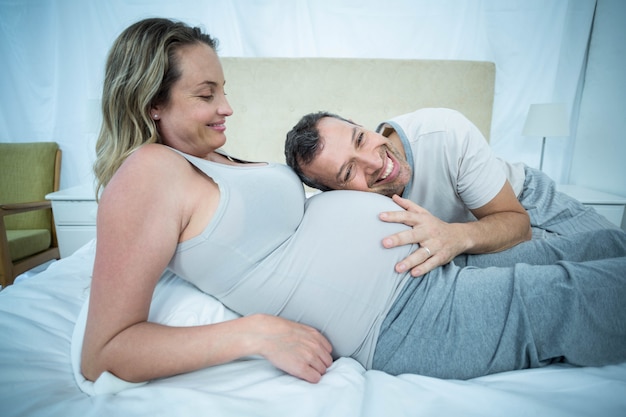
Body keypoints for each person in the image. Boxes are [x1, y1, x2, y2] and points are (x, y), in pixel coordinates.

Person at [82, 17, 626, 387]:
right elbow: (105, 349)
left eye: (222, 88)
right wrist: (253, 332)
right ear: (150, 101)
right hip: (406, 321)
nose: (226, 106)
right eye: (206, 95)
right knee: (579, 296)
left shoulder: (208, 160)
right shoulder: (145, 175)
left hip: (429, 265)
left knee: (593, 246)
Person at [284, 109, 622, 277]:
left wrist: (455, 236)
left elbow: (518, 224)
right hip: (468, 240)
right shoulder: (342, 208)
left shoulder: (446, 133)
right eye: (348, 172)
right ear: (336, 192)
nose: (374, 161)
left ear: (362, 125)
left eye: (360, 139)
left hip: (521, 202)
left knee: (615, 251)